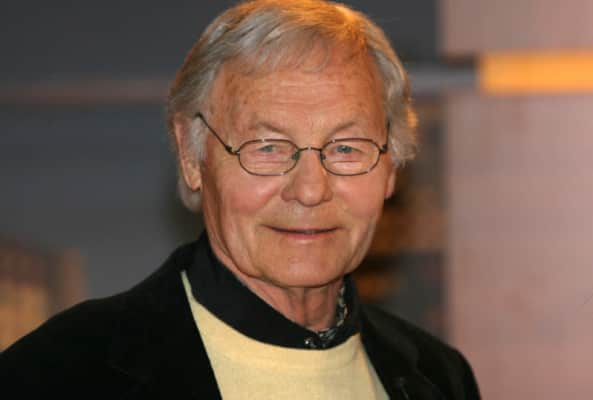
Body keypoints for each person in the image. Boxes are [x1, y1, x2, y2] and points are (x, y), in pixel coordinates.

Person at [1, 0, 480, 398]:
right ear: (192, 156)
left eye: (346, 148)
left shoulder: (439, 377)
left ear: (391, 164)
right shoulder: (57, 376)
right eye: (267, 148)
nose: (310, 190)